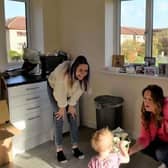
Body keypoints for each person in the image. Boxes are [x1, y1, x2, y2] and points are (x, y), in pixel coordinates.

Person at [48, 55, 90, 163]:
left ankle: (75, 147)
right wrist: (62, 107)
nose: (83, 73)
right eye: (80, 70)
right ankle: (59, 151)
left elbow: (79, 91)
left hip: (69, 91)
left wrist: (71, 105)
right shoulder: (62, 76)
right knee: (59, 118)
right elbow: (59, 92)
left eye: (85, 71)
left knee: (73, 116)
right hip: (54, 89)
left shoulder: (82, 79)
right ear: (74, 67)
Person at [129, 84, 168, 168]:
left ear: (158, 101)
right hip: (162, 139)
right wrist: (130, 151)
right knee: (144, 147)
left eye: (150, 99)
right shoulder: (147, 113)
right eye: (145, 98)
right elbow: (144, 138)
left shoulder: (166, 108)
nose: (146, 102)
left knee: (160, 153)